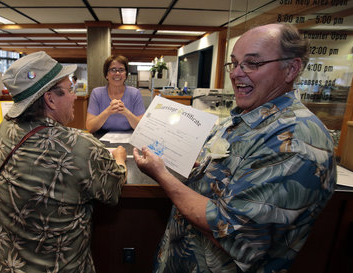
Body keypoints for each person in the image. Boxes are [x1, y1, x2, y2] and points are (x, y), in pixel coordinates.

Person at [133, 23, 336, 272]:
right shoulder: (241, 118)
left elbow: (230, 231)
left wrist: (161, 174)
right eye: (234, 63)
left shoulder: (294, 140)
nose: (237, 73)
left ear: (291, 69)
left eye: (252, 63)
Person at [0, 51, 127, 273]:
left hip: (2, 265)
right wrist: (119, 160)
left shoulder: (4, 129)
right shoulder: (80, 145)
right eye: (70, 90)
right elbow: (112, 190)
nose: (75, 97)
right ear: (50, 99)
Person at [86, 55, 145, 133]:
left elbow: (142, 128)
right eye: (113, 70)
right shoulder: (96, 93)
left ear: (126, 75)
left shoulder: (135, 93)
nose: (117, 73)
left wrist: (125, 112)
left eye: (121, 70)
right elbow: (90, 127)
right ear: (106, 75)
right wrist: (108, 111)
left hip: (129, 137)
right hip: (101, 137)